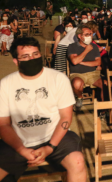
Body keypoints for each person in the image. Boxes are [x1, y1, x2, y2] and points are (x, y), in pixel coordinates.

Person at [0, 37, 86, 182]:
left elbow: (66, 117)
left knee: (77, 161)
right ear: (16, 61)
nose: (32, 58)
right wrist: (22, 150)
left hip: (55, 137)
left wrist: (50, 147)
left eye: (35, 54)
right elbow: (3, 124)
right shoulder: (5, 84)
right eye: (25, 56)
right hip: (19, 140)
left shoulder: (58, 78)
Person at [67, 24, 103, 110]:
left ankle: (103, 109)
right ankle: (79, 97)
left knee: (106, 85)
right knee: (77, 83)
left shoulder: (94, 46)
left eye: (91, 34)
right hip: (78, 74)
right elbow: (74, 61)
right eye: (87, 34)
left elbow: (98, 62)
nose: (90, 36)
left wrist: (81, 62)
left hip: (93, 74)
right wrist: (86, 50)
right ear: (79, 36)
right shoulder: (72, 46)